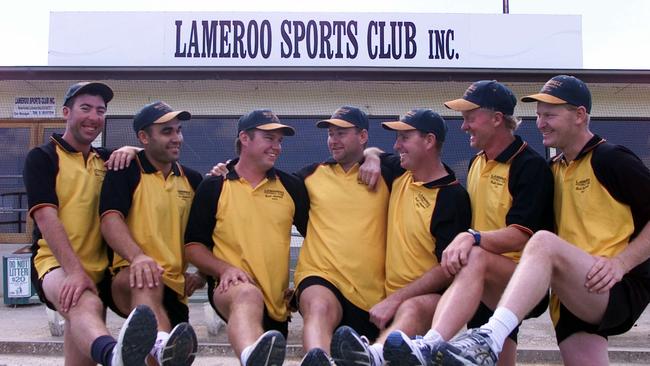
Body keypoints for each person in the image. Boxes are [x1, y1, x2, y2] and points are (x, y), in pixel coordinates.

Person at [437, 75, 650, 366]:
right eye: (538, 116)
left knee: (543, 243)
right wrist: (372, 156)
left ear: (580, 115)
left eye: (550, 115)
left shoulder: (611, 159)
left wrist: (621, 263)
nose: (541, 123)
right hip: (570, 294)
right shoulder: (553, 168)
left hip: (614, 285)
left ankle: (490, 336)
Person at [382, 81, 554, 366]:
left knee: (473, 256)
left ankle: (431, 344)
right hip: (478, 280)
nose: (464, 127)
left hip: (519, 281)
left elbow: (522, 236)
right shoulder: (476, 162)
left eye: (470, 118)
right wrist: (373, 157)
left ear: (497, 119)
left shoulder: (529, 165)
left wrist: (472, 238)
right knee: (492, 357)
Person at [24, 81, 158, 366]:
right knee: (87, 303)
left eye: (100, 111)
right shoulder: (43, 157)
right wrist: (74, 272)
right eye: (85, 108)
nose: (94, 117)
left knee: (81, 358)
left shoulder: (107, 160)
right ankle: (115, 355)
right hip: (56, 265)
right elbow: (46, 218)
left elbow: (153, 159)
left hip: (99, 272)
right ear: (66, 113)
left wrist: (132, 149)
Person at [329, 109, 472, 366]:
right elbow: (373, 151)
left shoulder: (452, 197)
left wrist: (396, 299)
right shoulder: (399, 172)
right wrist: (371, 157)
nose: (397, 145)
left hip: (430, 302)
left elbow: (447, 269)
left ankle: (372, 357)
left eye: (404, 138)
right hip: (385, 300)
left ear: (428, 141)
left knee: (412, 308)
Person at [184, 109, 309, 366]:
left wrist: (304, 279)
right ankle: (252, 355)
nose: (276, 147)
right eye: (268, 138)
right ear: (245, 138)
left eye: (279, 141)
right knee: (247, 296)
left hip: (277, 304)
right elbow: (194, 246)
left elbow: (318, 237)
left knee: (264, 355)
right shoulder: (214, 186)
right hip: (230, 290)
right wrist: (224, 268)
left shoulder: (291, 187)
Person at [99, 101, 205, 365]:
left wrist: (202, 273)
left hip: (175, 288)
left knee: (159, 360)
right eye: (167, 131)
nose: (177, 138)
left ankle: (158, 346)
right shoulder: (125, 169)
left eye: (178, 130)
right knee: (148, 277)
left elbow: (207, 235)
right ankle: (158, 342)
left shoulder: (193, 180)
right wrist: (137, 257)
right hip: (129, 275)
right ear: (144, 137)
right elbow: (110, 219)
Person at [293, 106, 393, 365]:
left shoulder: (388, 174)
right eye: (330, 134)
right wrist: (226, 171)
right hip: (320, 275)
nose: (333, 140)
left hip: (371, 296)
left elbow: (417, 162)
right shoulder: (310, 176)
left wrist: (373, 157)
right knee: (318, 308)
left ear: (362, 137)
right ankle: (317, 359)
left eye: (341, 133)